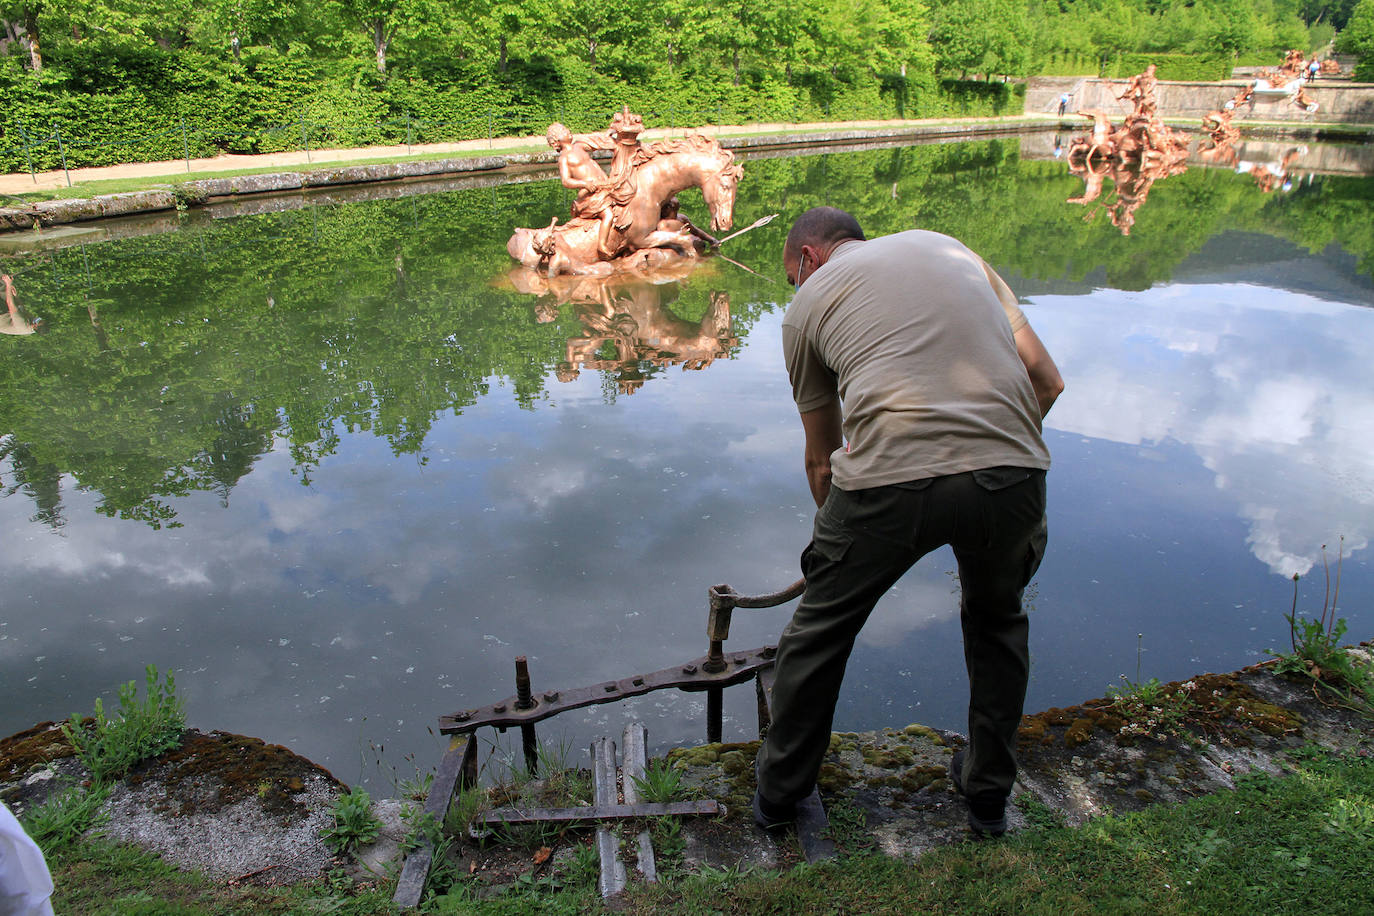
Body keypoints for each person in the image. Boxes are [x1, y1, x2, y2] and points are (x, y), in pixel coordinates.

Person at [754, 207, 1064, 838]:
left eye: (792, 276)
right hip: (1013, 468)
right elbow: (1047, 381)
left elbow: (822, 458)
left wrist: (838, 553)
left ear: (809, 258)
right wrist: (991, 463)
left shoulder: (808, 302)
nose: (797, 287)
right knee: (999, 623)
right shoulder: (951, 249)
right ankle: (986, 799)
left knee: (818, 635)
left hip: (886, 480)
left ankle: (778, 797)